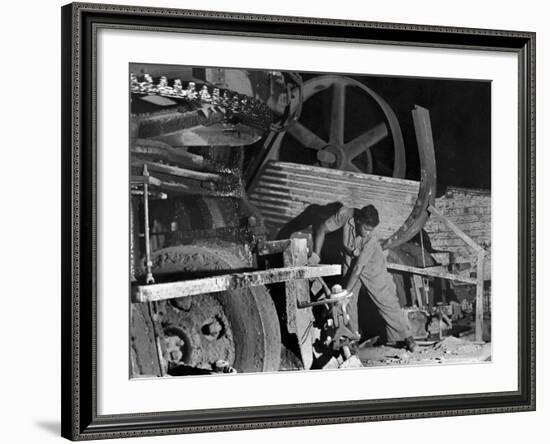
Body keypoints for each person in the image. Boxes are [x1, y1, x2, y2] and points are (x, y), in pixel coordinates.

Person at [310, 204, 417, 352]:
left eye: (371, 230)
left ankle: (406, 336)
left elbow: (358, 269)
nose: (367, 233)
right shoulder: (345, 214)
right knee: (349, 304)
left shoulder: (371, 239)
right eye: (366, 228)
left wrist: (345, 292)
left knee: (386, 299)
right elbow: (322, 227)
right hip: (349, 260)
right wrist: (316, 254)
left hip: (371, 264)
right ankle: (352, 339)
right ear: (358, 221)